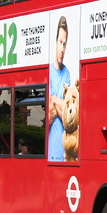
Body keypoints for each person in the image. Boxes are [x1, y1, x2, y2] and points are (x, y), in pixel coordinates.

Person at [47, 16, 72, 161]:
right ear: (55, 42)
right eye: (60, 43)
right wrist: (61, 104)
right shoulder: (47, 72)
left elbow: (70, 118)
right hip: (49, 154)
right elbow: (47, 116)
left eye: (65, 44)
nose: (62, 49)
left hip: (65, 155)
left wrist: (54, 100)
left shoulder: (67, 73)